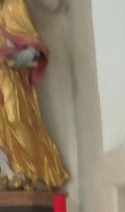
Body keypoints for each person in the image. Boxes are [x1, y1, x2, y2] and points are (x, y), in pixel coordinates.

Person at [0, 0, 68, 189]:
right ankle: (7, 173)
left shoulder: (13, 5)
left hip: (11, 76)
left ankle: (27, 172)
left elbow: (34, 52)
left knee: (17, 120)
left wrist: (21, 56)